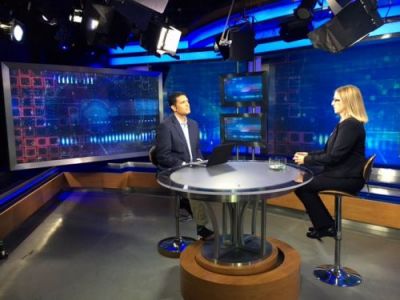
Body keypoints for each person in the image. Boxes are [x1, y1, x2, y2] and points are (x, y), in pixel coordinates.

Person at [293, 85, 368, 240]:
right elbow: (329, 152)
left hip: (348, 178)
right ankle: (324, 224)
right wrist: (308, 155)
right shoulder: (345, 124)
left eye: (336, 100)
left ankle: (326, 226)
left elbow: (333, 157)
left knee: (302, 186)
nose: (332, 103)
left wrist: (307, 159)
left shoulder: (351, 125)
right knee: (304, 181)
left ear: (347, 102)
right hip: (341, 173)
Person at [155, 91, 214, 240]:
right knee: (195, 187)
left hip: (191, 167)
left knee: (211, 175)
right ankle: (201, 228)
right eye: (182, 102)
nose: (187, 104)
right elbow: (162, 156)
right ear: (174, 107)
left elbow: (196, 150)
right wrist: (183, 164)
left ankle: (188, 207)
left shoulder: (194, 125)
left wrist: (200, 161)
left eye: (187, 101)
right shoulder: (166, 126)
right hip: (172, 169)